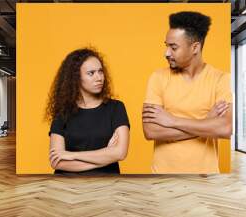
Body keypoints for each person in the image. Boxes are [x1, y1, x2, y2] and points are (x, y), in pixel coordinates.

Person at [142, 11, 233, 174]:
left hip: (206, 178)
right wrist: (206, 122)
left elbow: (225, 129)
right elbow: (151, 131)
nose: (167, 53)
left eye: (173, 47)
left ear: (195, 47)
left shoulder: (221, 79)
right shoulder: (157, 78)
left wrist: (172, 120)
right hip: (162, 177)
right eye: (166, 46)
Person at [46, 48, 130, 175]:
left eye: (100, 72)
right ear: (76, 78)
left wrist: (71, 155)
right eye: (91, 73)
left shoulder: (116, 108)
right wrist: (106, 154)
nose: (99, 78)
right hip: (68, 188)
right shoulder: (62, 113)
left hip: (107, 187)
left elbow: (120, 153)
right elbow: (57, 162)